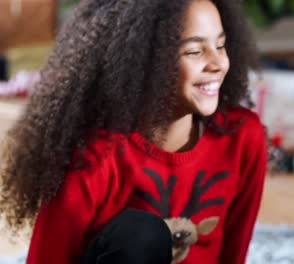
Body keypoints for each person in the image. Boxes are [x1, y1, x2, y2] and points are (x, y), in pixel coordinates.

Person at [0, 0, 267, 263]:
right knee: (142, 233)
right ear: (142, 59)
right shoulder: (92, 158)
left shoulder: (243, 137)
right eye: (195, 52)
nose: (218, 63)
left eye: (220, 46)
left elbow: (234, 253)